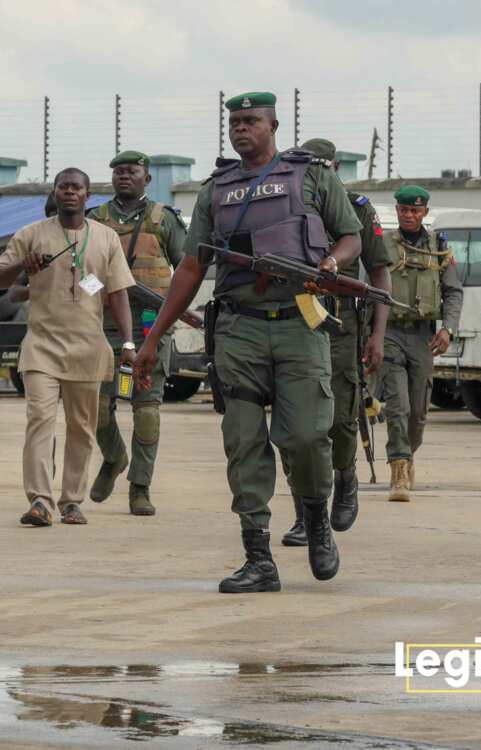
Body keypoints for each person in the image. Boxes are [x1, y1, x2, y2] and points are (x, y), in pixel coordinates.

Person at [134, 92, 362, 593]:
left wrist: (332, 264)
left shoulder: (313, 177)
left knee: (305, 436)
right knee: (242, 442)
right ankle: (258, 557)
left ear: (274, 125)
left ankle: (316, 521)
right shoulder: (217, 190)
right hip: (238, 328)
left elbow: (352, 236)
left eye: (251, 121)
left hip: (301, 323)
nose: (241, 129)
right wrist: (153, 339)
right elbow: (191, 267)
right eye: (235, 122)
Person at [0, 168, 136, 527]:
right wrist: (24, 266)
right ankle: (40, 499)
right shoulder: (31, 235)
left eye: (77, 187)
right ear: (54, 194)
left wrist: (129, 343)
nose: (69, 192)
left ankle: (72, 500)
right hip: (42, 346)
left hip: (88, 347)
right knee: (39, 419)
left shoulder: (105, 238)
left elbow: (117, 293)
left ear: (88, 195)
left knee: (82, 427)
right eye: (63, 187)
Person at [281, 139, 393, 546]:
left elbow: (380, 274)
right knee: (294, 425)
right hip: (295, 317)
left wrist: (378, 335)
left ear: (334, 169)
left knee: (340, 420)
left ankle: (346, 476)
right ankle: (304, 514)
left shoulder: (358, 208)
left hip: (344, 326)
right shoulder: (284, 204)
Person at [87, 150, 188, 516]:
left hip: (150, 330)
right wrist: (88, 292)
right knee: (95, 410)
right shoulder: (94, 221)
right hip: (101, 329)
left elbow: (187, 270)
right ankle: (114, 458)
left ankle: (140, 487)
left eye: (132, 171)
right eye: (118, 171)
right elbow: (80, 269)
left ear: (147, 178)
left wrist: (172, 312)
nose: (124, 176)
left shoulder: (164, 220)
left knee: (146, 410)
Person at [378, 186, 463, 502]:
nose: (409, 215)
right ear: (397, 211)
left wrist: (448, 330)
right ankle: (398, 469)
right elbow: (367, 286)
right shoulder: (383, 245)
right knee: (397, 406)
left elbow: (453, 292)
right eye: (403, 210)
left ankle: (409, 453)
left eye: (415, 211)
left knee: (418, 412)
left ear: (425, 212)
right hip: (390, 334)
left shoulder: (440, 248)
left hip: (424, 337)